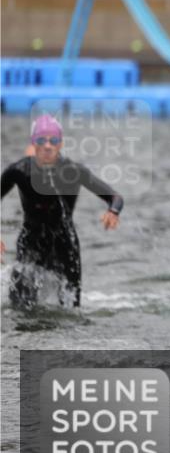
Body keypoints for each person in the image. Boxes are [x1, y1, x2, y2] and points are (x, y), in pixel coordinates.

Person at [1, 115, 123, 310]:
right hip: (31, 245)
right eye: (41, 140)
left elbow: (115, 197)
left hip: (65, 247)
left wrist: (113, 212)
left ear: (61, 144)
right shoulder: (19, 171)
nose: (48, 146)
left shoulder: (74, 171)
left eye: (54, 141)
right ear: (33, 144)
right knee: (19, 310)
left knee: (70, 312)